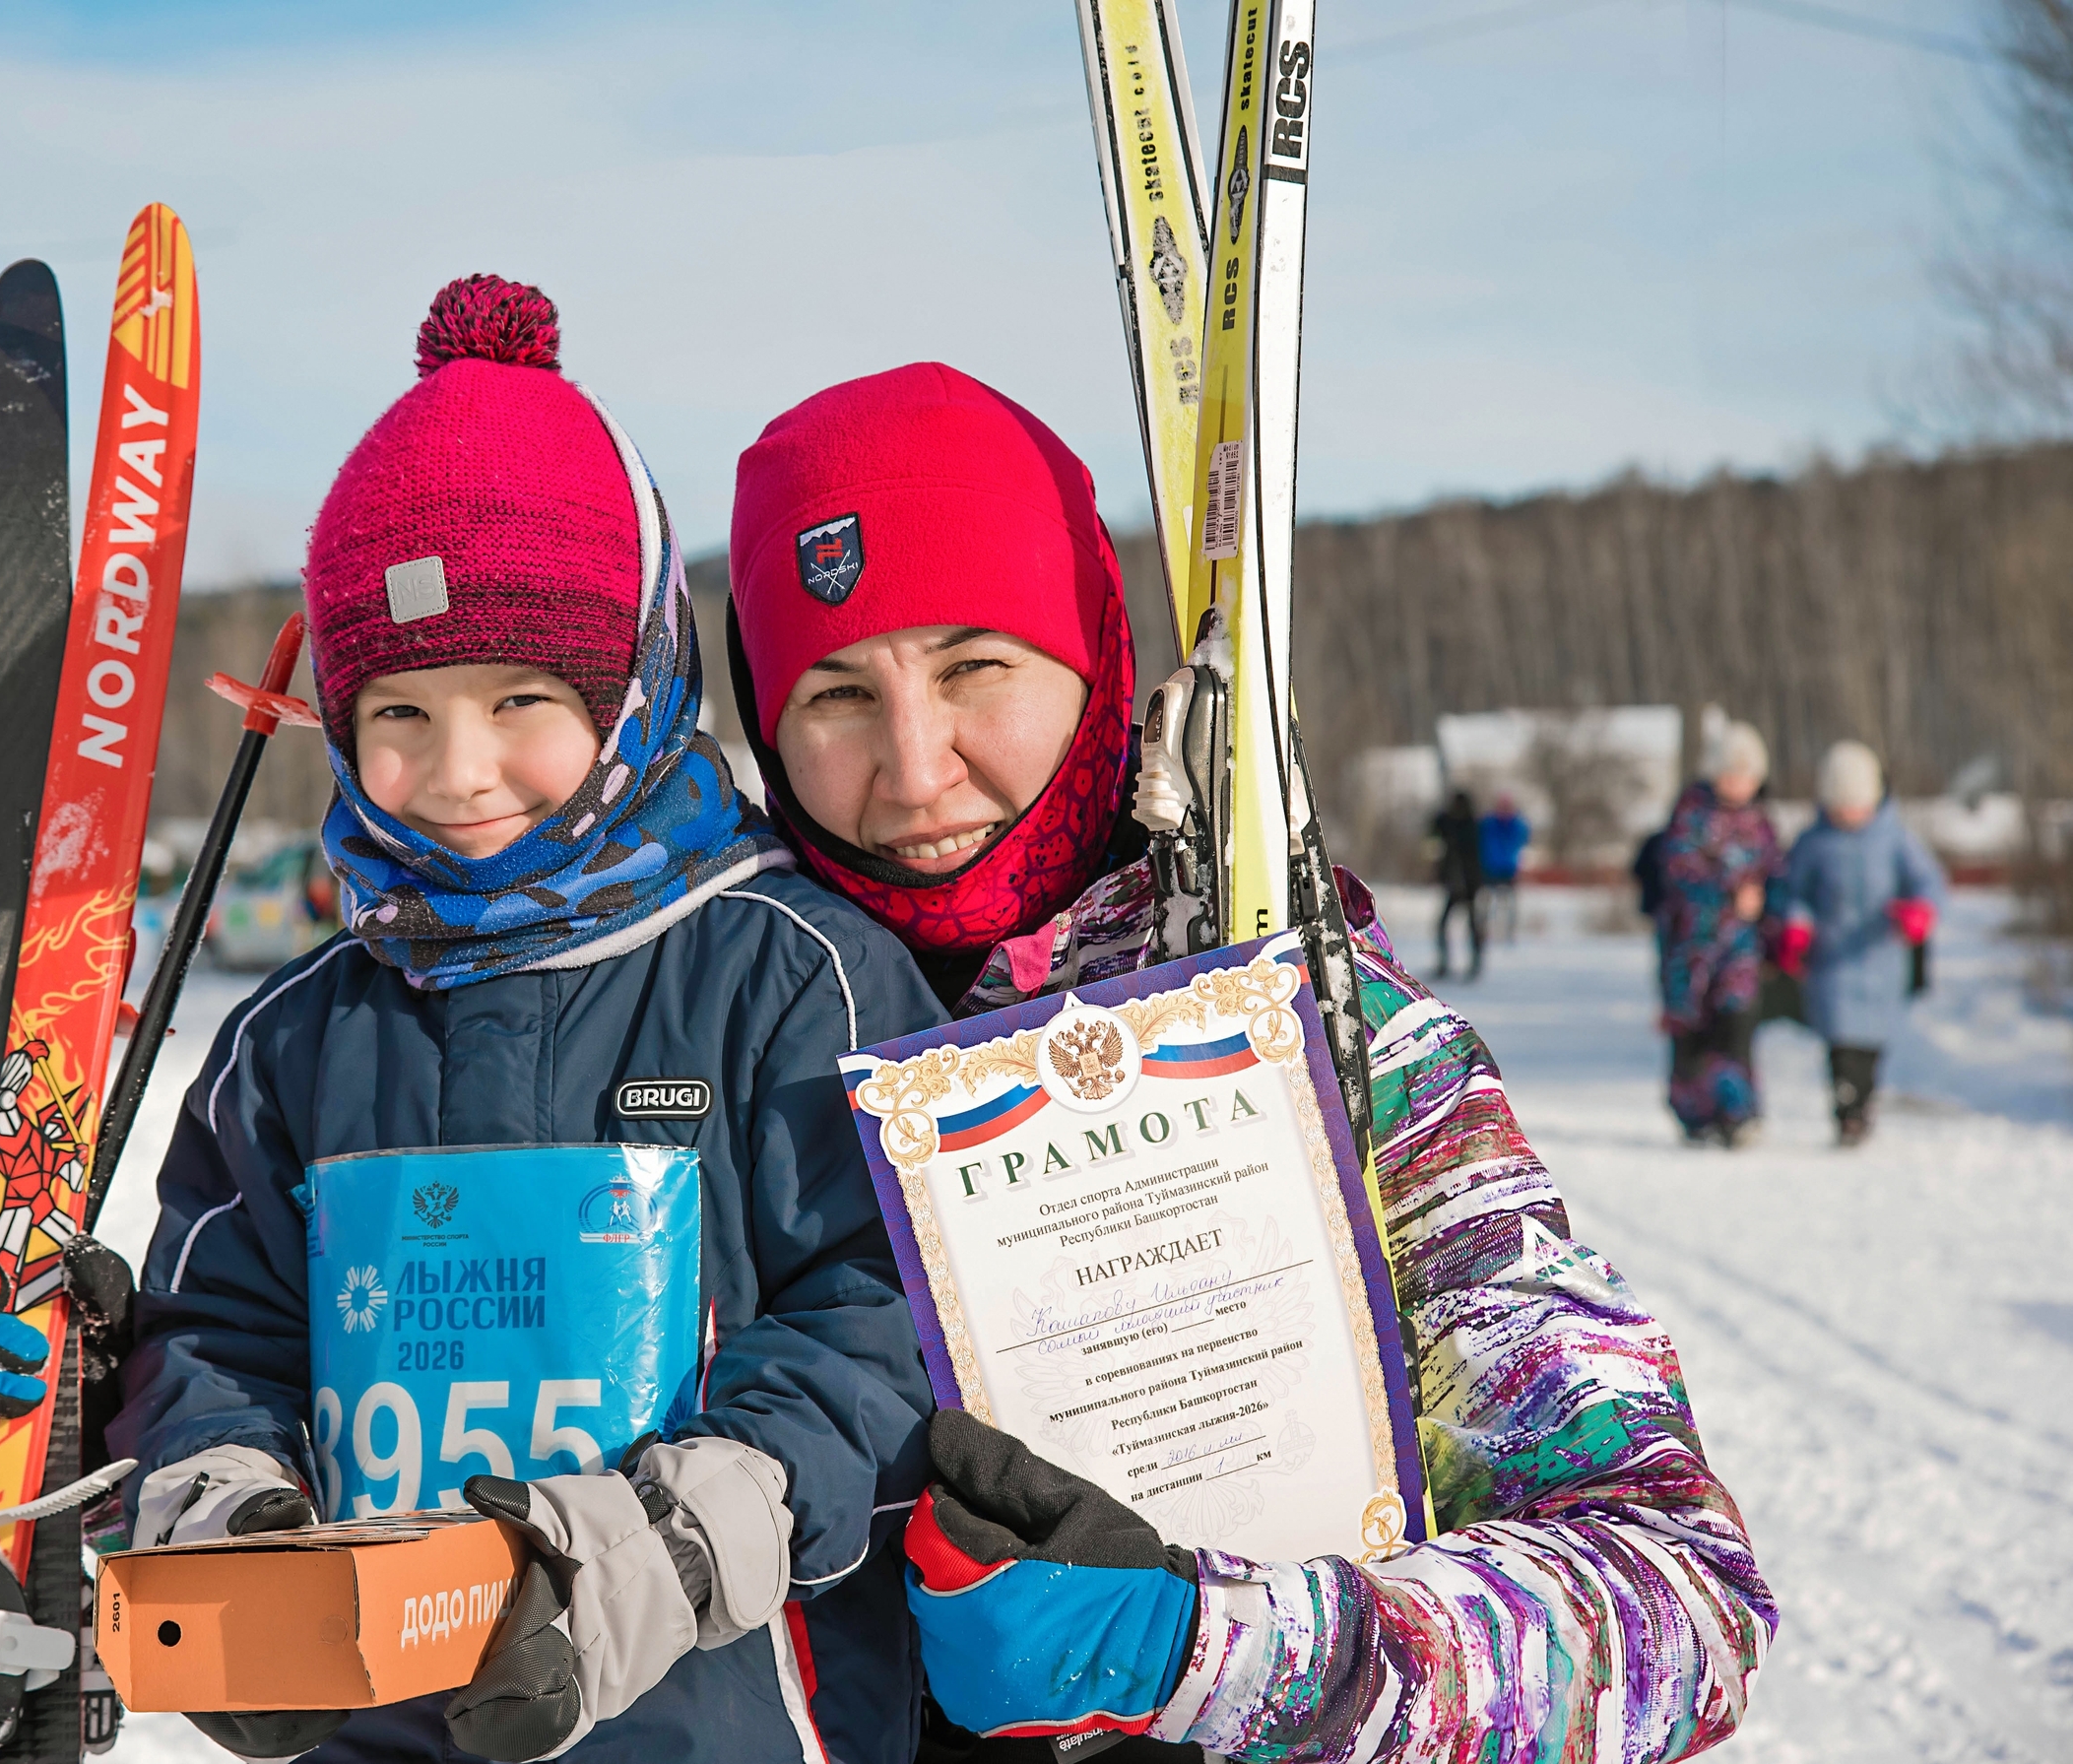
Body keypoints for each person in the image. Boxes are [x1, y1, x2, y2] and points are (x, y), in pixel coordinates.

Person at [0, 279, 943, 1764]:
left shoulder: (782, 970)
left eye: (522, 698)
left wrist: (670, 1543)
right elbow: (224, 1329)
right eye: (402, 713)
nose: (458, 770)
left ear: (636, 686)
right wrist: (231, 1517)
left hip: (720, 1714)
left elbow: (888, 1320)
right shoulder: (301, 1032)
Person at [725, 362, 1771, 1761]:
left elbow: (1677, 1606)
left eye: (976, 666)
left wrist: (1205, 1648)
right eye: (838, 692)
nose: (915, 769)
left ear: (1092, 654)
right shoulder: (712, 1034)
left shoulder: (1314, 1031)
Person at [1776, 740, 1945, 1146]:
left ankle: (1864, 1100)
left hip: (1880, 954)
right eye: (1841, 805)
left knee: (1871, 1040)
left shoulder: (1895, 838)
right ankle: (1846, 1107)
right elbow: (1790, 890)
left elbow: (1929, 881)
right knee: (1839, 1037)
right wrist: (1797, 924)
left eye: (1857, 804)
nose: (1849, 814)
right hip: (1831, 957)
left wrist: (1919, 911)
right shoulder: (1814, 842)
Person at [1652, 723, 1781, 1147]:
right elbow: (1677, 872)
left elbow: (1777, 874)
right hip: (1690, 947)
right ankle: (1694, 1111)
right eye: (1730, 773)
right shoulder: (1691, 815)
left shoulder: (1761, 822)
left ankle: (1739, 1111)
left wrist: (1773, 912)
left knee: (1736, 1024)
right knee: (1692, 1031)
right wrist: (1728, 894)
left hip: (1740, 948)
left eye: (1746, 775)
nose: (1738, 783)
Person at [1429, 787, 1485, 978]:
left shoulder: (1471, 826)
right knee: (1450, 925)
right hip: (1459, 883)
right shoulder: (1453, 823)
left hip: (1468, 884)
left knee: (1467, 925)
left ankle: (1473, 964)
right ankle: (1451, 963)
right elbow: (1434, 831)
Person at [1476, 790, 1529, 943]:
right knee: (1485, 903)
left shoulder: (1517, 825)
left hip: (1508, 870)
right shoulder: (1488, 824)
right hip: (1489, 869)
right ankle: (1482, 931)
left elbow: (1524, 837)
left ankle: (1508, 933)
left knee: (1509, 904)